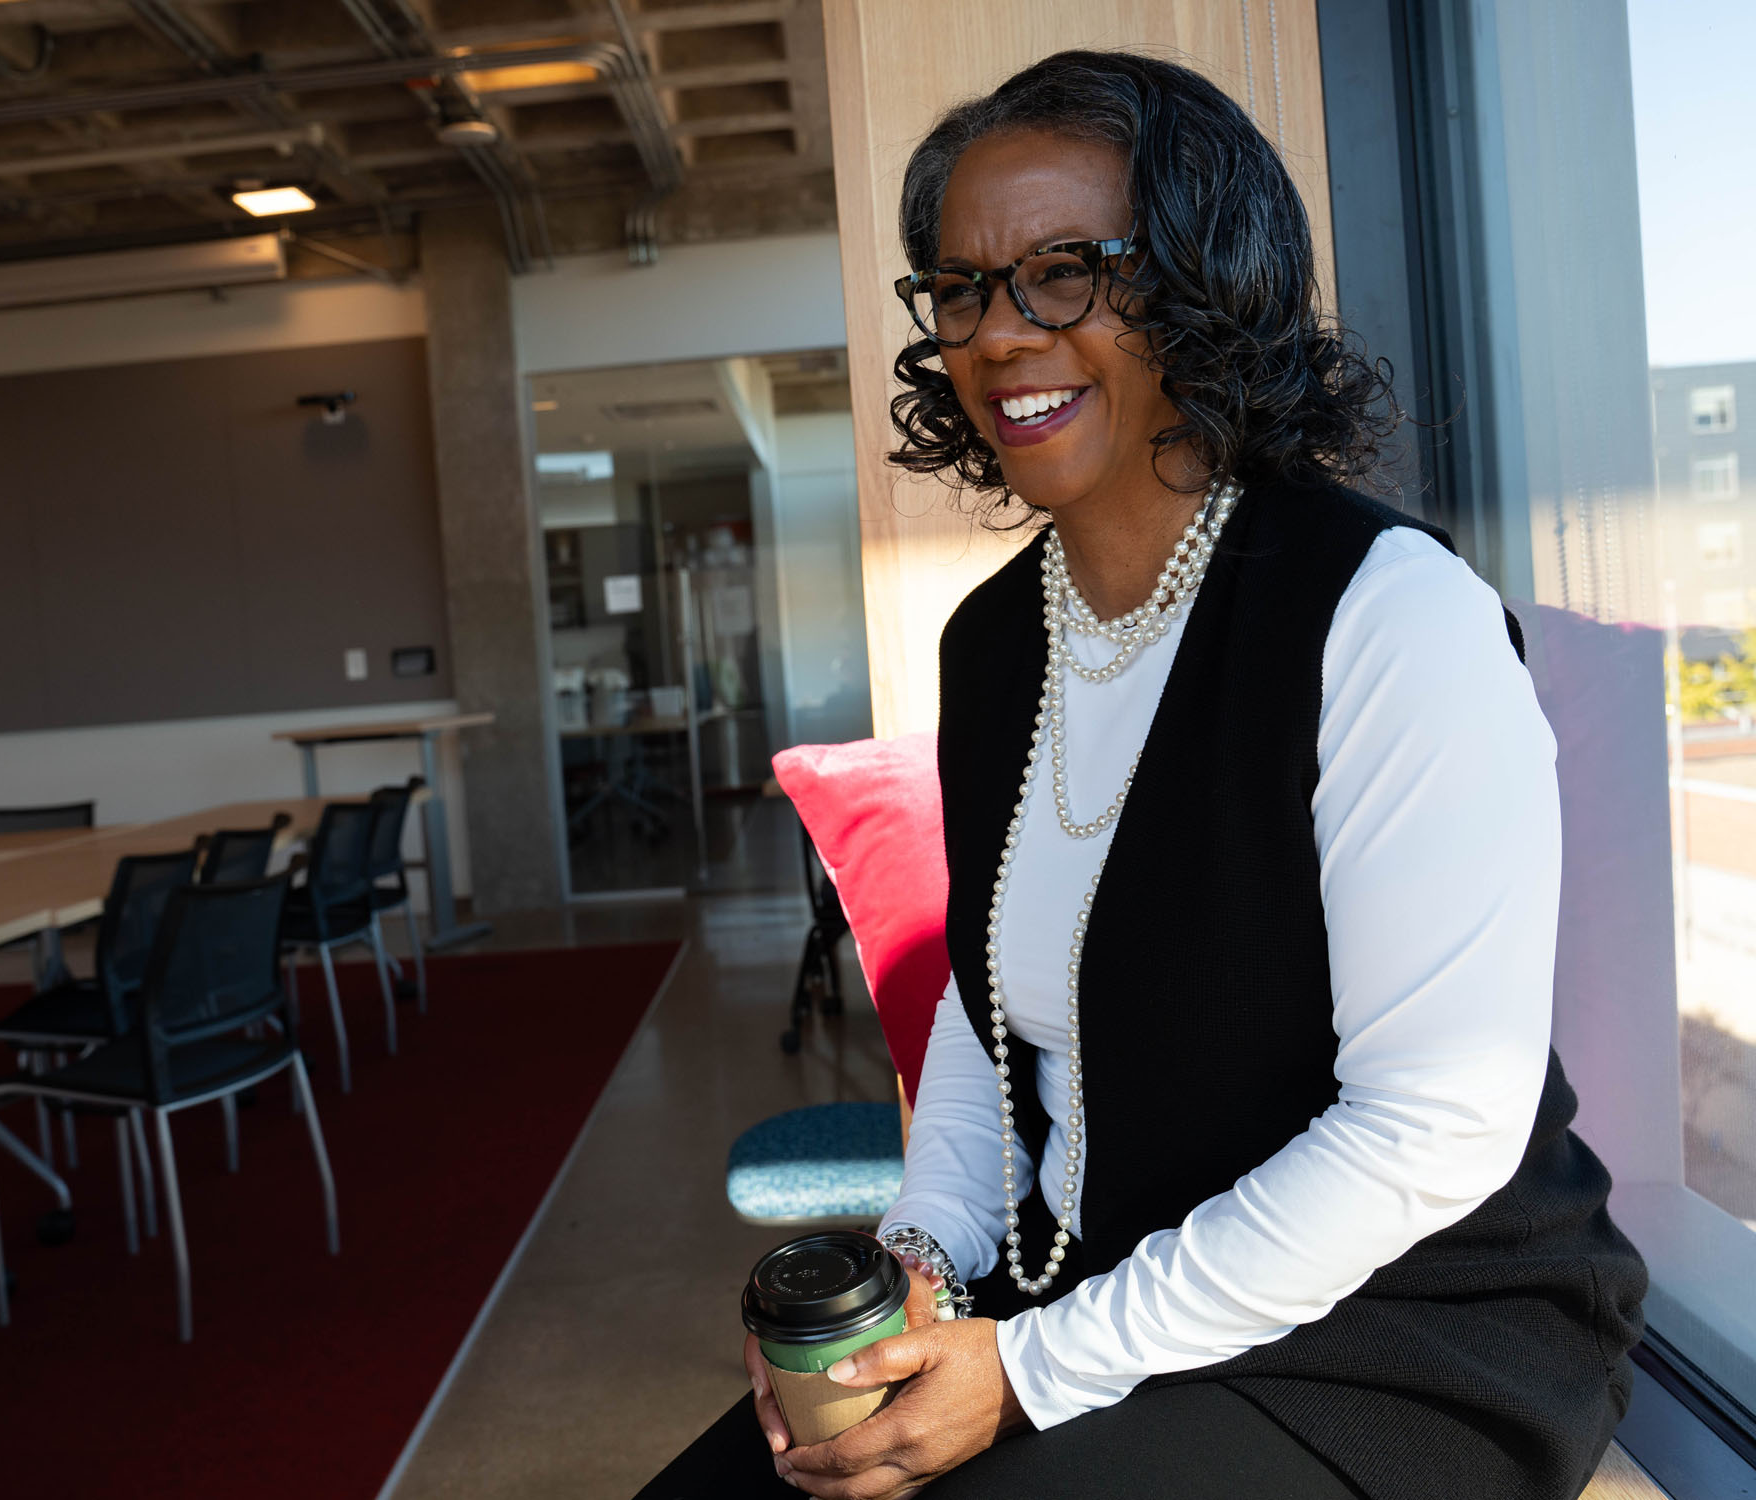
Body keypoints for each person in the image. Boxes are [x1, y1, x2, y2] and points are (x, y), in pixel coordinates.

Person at [635, 49, 1645, 1500]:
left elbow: (1436, 1126)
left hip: (1406, 1330)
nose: (1000, 333)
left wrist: (1033, 1368)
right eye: (967, 288)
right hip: (1113, 1292)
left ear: (1202, 286)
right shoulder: (995, 644)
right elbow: (995, 1046)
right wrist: (918, 1266)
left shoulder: (1381, 610)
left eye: (1067, 272)